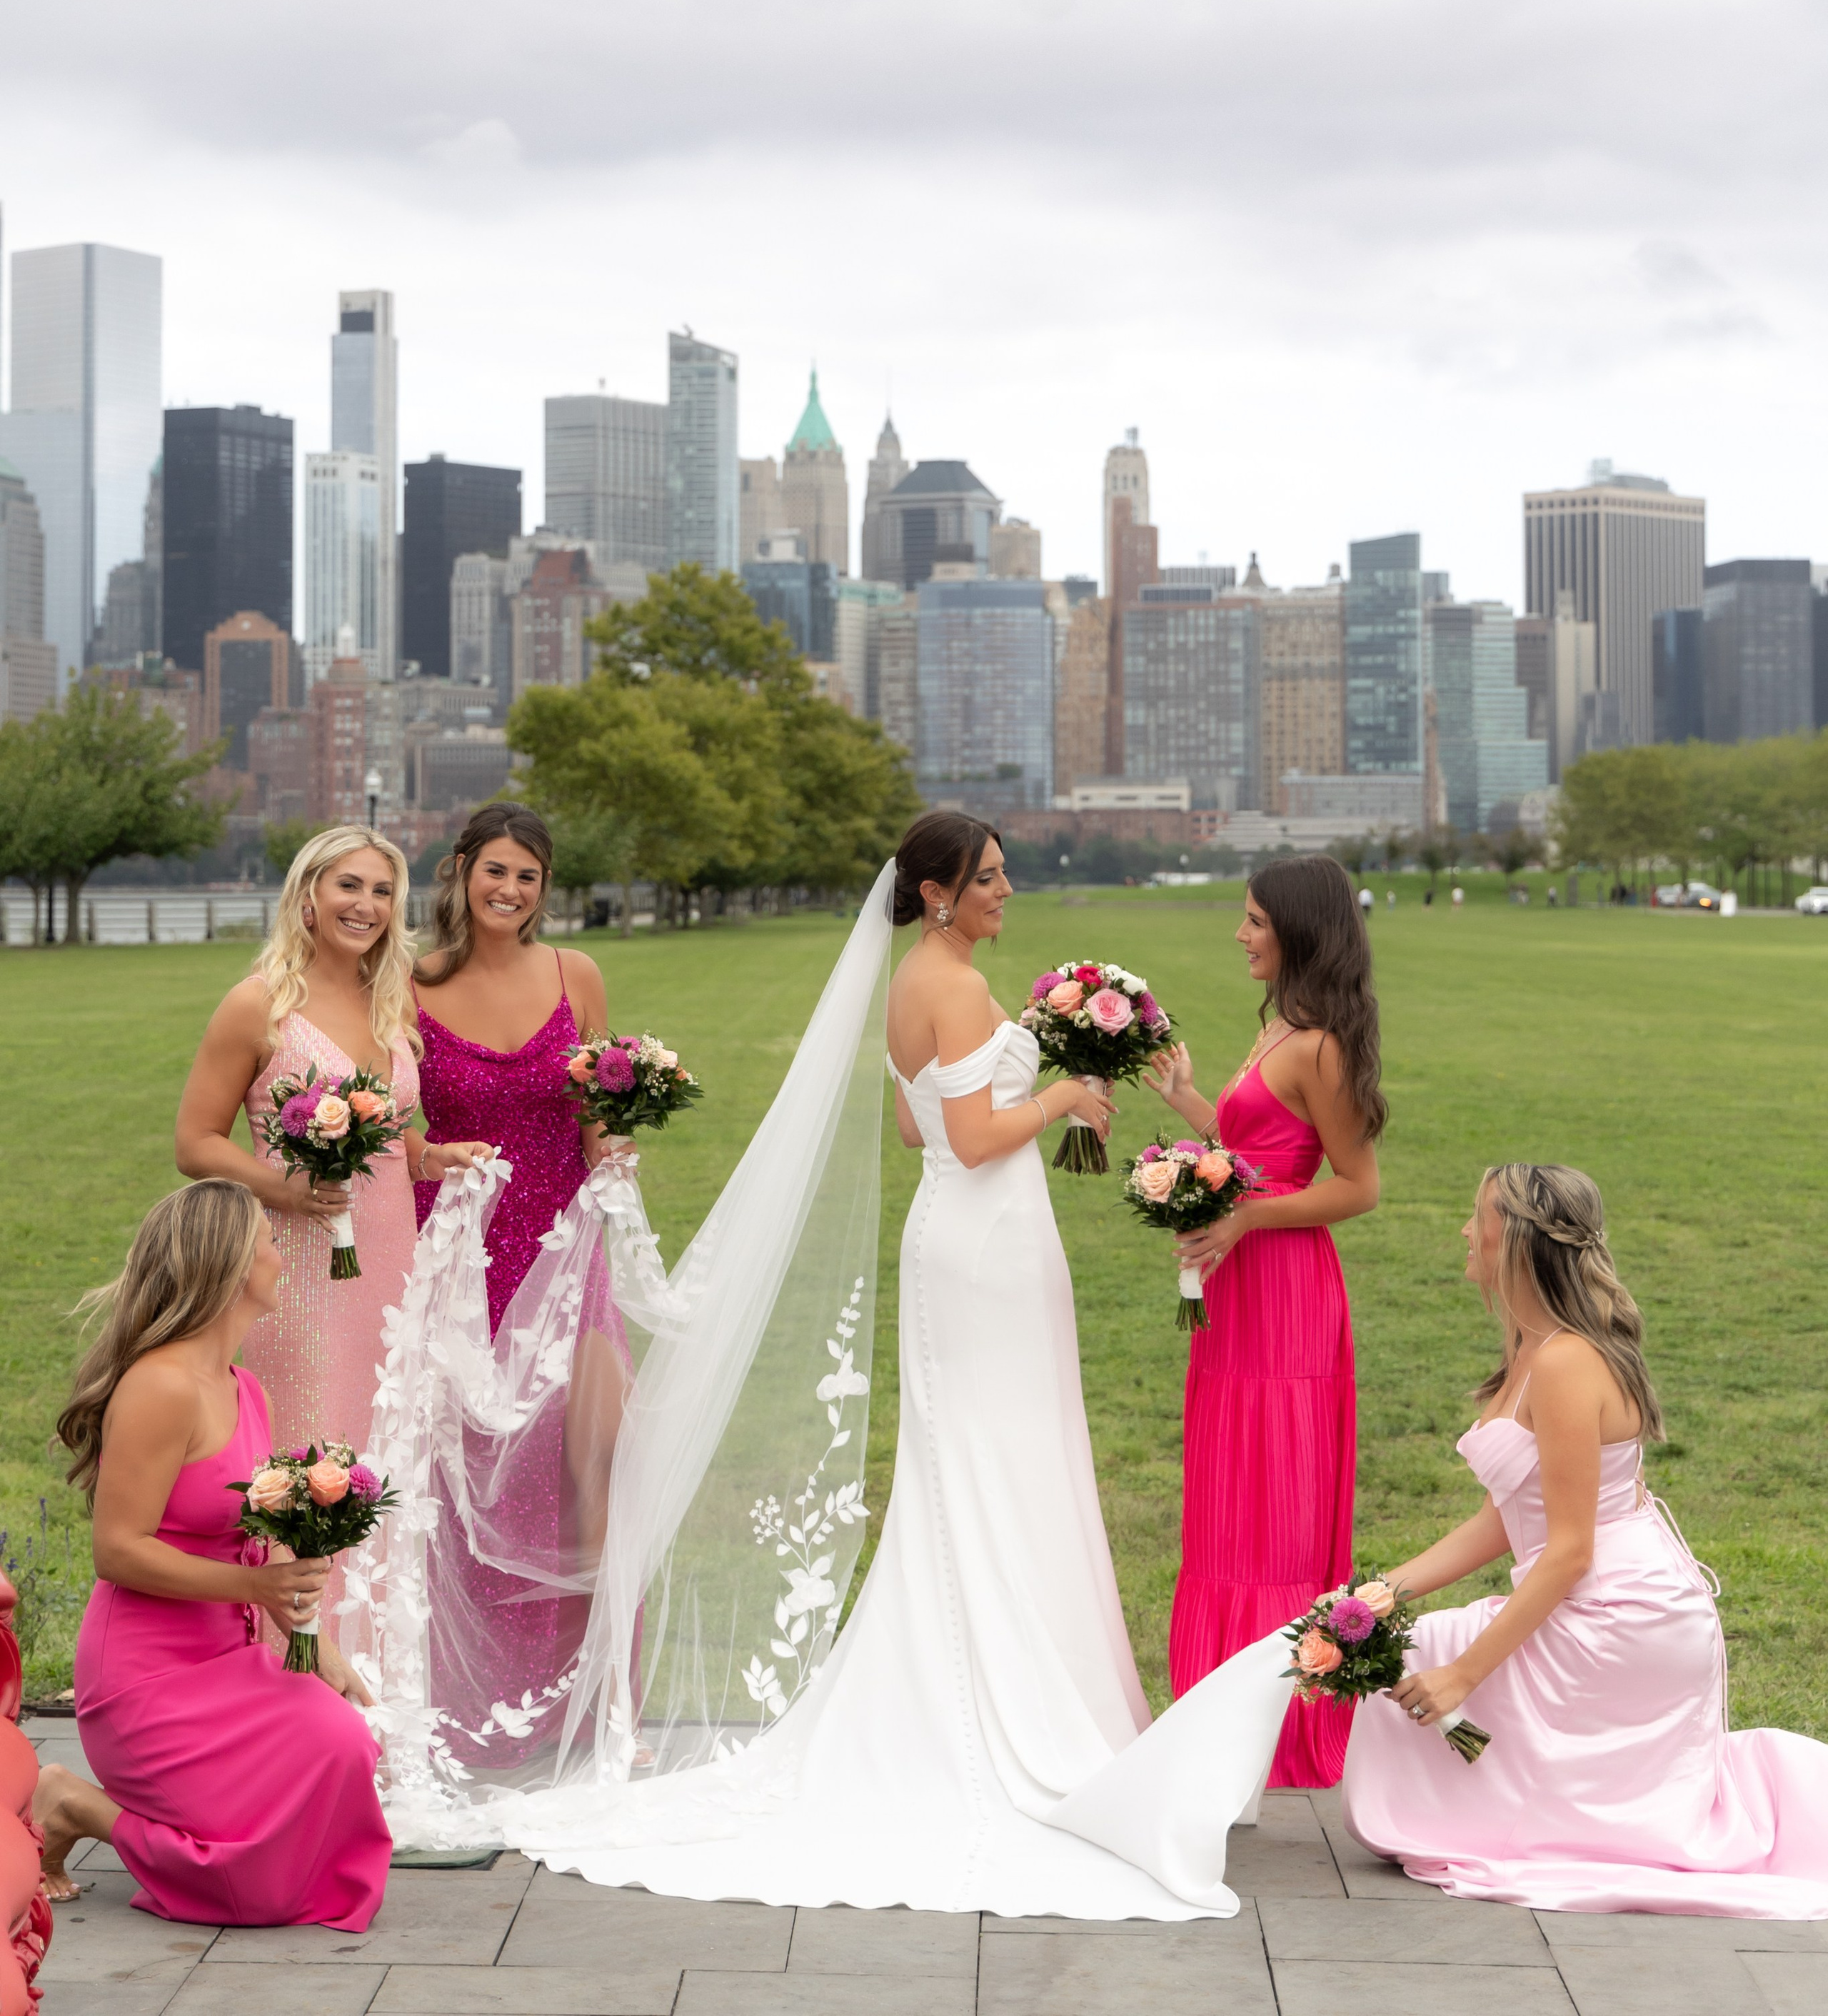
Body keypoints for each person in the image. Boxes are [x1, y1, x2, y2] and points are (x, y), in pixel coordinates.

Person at [356, 814, 1294, 1915]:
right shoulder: (940, 982)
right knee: (990, 1460)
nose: (1005, 891)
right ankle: (993, 1705)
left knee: (1008, 1459)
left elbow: (917, 1131)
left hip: (988, 1237)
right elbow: (976, 1138)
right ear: (938, 892)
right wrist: (1065, 1097)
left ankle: (1013, 1684)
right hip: (981, 1244)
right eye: (988, 878)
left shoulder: (938, 978)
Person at [1343, 1165, 1828, 1915]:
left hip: (1617, 1619)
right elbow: (1504, 1519)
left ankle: (1547, 1821)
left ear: (1516, 1243)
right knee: (1395, 1663)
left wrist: (1465, 1675)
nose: (1464, 1232)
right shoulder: (1535, 1349)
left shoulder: (1567, 1362)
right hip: (1587, 1597)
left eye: (1478, 1218)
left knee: (1418, 1670)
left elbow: (1569, 1551)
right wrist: (1380, 1593)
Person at [34, 1180, 391, 1927]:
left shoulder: (244, 1388)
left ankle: (214, 1834)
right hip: (146, 1678)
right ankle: (74, 1803)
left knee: (343, 1747)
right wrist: (253, 1590)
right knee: (251, 1890)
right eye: (264, 1239)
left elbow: (252, 1548)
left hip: (228, 1660)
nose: (276, 1251)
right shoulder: (159, 1387)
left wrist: (310, 1637)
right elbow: (117, 1552)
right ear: (229, 1263)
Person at [174, 826, 487, 1650]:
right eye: (349, 886)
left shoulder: (393, 1001)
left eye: (382, 892)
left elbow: (388, 1142)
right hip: (295, 1268)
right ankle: (291, 1661)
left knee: (383, 1450)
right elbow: (196, 1141)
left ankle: (378, 1665)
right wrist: (289, 1187)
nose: (366, 906)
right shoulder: (259, 1003)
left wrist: (433, 1157)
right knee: (310, 1448)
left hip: (391, 1264)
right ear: (308, 894)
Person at [1145, 854, 1382, 1785]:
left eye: (1252, 920)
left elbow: (1356, 1187)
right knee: (1228, 1496)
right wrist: (1190, 1109)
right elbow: (1258, 1151)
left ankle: (1276, 1724)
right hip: (1240, 1287)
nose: (1238, 933)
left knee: (1274, 1500)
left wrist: (1243, 1216)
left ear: (1296, 928)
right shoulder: (1278, 1023)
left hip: (1285, 1292)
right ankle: (1219, 1707)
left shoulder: (1322, 1042)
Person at [408, 801, 634, 1746]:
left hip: (566, 1250)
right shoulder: (408, 982)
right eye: (494, 870)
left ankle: (603, 1697)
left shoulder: (574, 975)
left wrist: (616, 1153)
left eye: (527, 877)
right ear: (461, 869)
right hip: (458, 1262)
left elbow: (594, 1111)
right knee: (465, 1481)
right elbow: (388, 1122)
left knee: (596, 1464)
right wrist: (422, 1156)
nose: (508, 890)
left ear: (545, 889)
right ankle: (461, 1696)